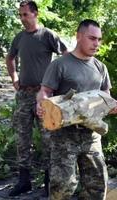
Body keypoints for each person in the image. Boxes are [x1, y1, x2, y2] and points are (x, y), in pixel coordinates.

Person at [36, 19, 117, 200]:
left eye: (99, 39)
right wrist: (42, 105)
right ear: (79, 37)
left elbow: (106, 97)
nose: (96, 43)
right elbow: (44, 92)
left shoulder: (100, 67)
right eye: (92, 38)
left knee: (97, 186)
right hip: (64, 135)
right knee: (62, 188)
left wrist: (111, 107)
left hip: (91, 135)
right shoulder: (60, 64)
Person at [6, 0, 67, 197]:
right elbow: (10, 58)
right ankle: (24, 181)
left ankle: (50, 181)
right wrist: (14, 78)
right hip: (24, 94)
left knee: (48, 137)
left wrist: (57, 83)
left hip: (44, 95)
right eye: (21, 15)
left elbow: (66, 55)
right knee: (22, 138)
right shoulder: (19, 37)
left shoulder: (47, 35)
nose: (22, 18)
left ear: (35, 14)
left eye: (26, 14)